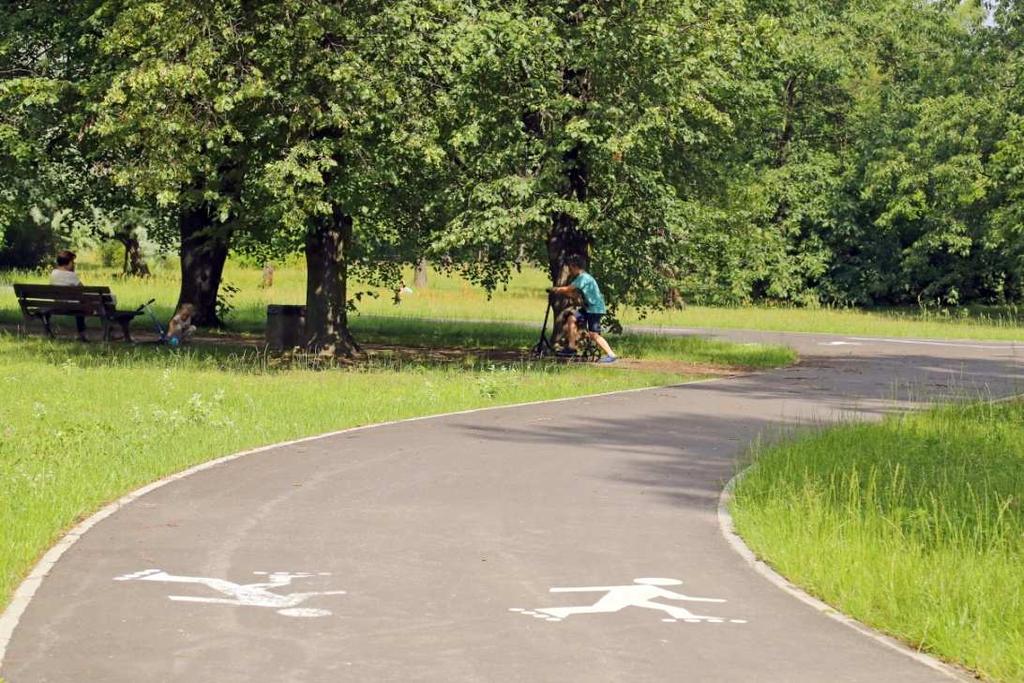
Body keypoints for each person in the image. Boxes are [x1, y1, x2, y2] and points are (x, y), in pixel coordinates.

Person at [547, 255, 618, 363]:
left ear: (575, 266)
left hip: (595, 309)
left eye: (570, 268)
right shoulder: (582, 278)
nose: (570, 271)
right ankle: (571, 348)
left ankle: (611, 355)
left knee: (594, 334)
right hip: (588, 307)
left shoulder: (583, 278)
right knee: (572, 318)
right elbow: (574, 294)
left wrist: (556, 289)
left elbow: (569, 289)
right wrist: (566, 293)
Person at [49, 250, 88, 341]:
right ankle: (81, 334)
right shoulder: (71, 275)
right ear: (68, 263)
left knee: (81, 305)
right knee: (82, 307)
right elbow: (83, 289)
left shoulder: (53, 273)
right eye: (72, 262)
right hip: (72, 306)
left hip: (58, 305)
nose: (74, 264)